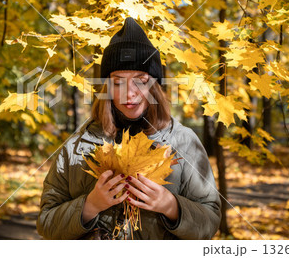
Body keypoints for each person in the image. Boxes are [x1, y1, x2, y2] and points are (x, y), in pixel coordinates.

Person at [37, 17, 221, 240]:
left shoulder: (183, 142)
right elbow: (46, 224)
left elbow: (210, 220)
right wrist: (89, 206)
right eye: (117, 82)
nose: (129, 93)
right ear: (106, 86)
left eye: (140, 80)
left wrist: (172, 207)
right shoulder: (76, 147)